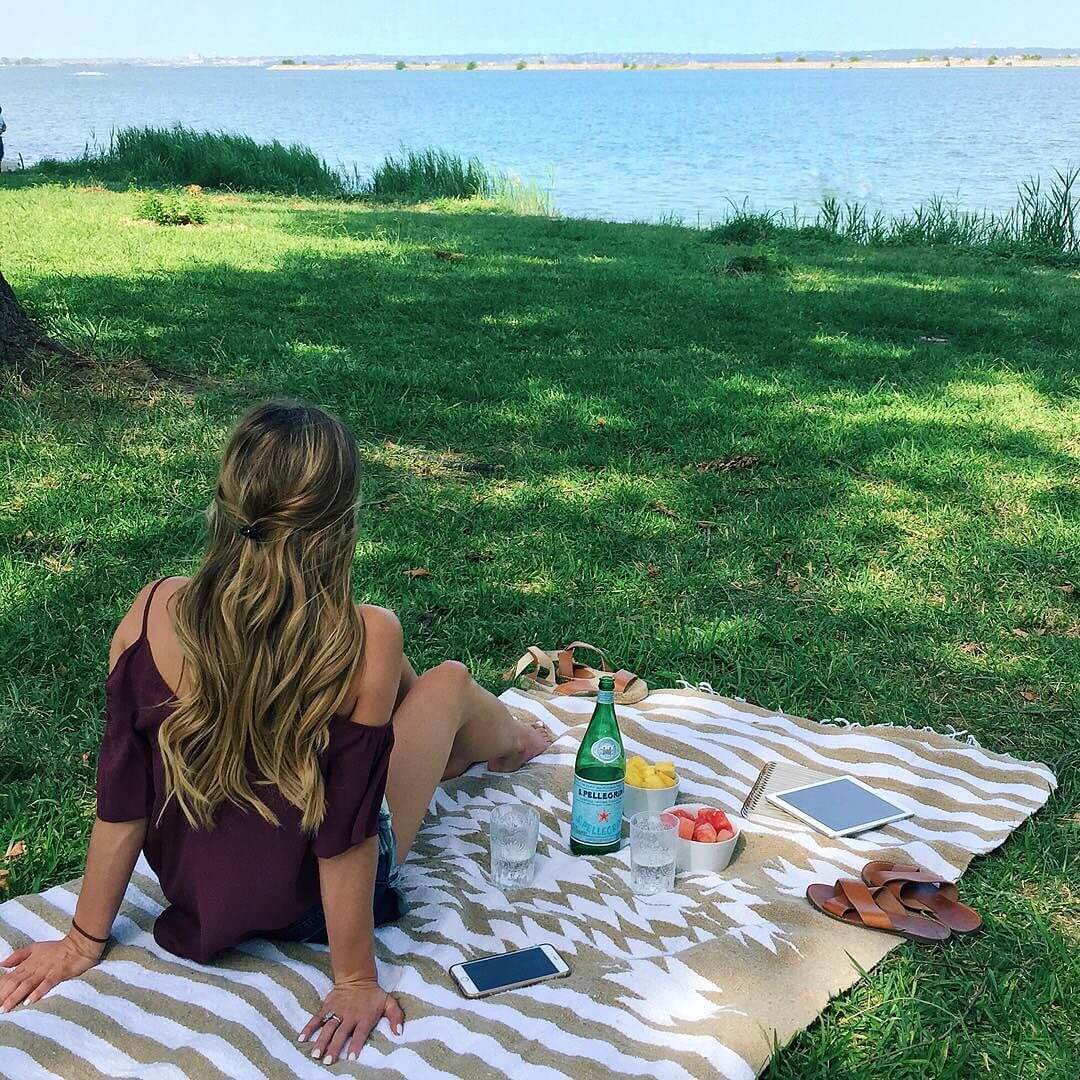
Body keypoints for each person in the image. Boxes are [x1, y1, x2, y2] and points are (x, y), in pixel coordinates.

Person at [0, 400, 554, 1066]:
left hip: (201, 896)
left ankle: (478, 741)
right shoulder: (364, 635)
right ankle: (516, 742)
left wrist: (83, 941)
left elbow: (121, 806)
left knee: (389, 666)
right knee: (449, 680)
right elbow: (347, 833)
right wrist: (353, 978)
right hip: (314, 909)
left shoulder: (150, 610)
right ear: (341, 521)